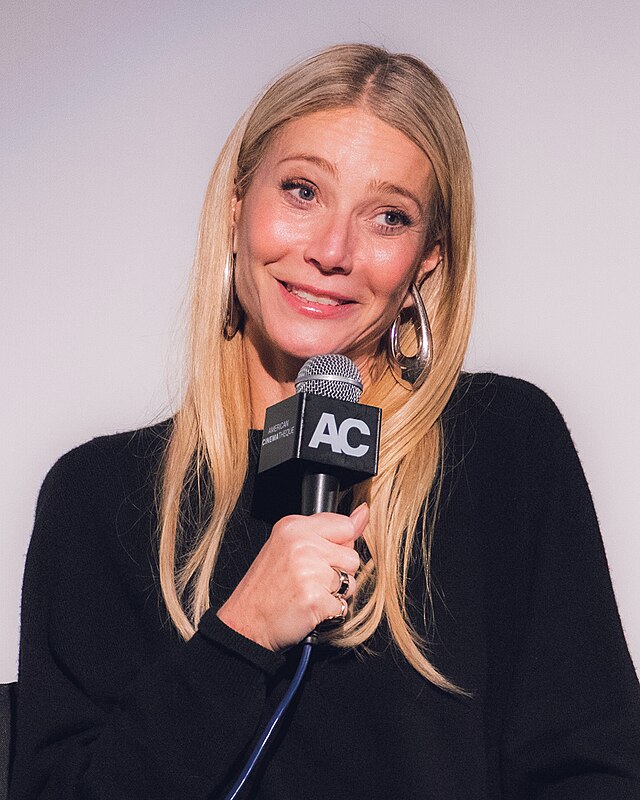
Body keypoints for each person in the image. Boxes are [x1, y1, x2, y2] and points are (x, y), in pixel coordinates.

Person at [9, 43, 640, 800]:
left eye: (388, 217)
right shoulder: (99, 496)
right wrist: (241, 634)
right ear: (237, 207)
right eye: (303, 191)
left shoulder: (503, 446)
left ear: (427, 260)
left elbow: (593, 768)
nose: (333, 252)